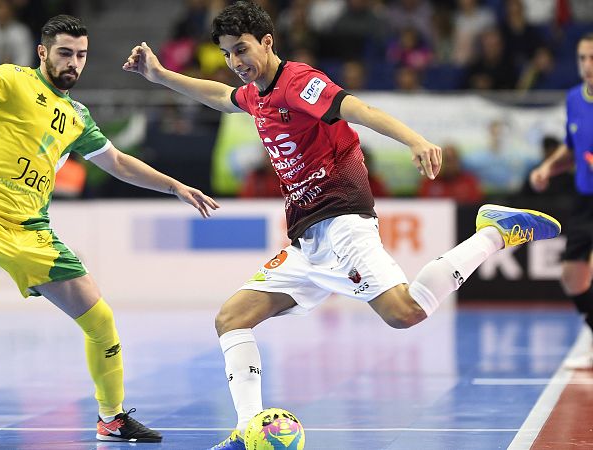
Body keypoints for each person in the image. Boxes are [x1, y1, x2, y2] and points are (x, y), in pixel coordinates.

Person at [122, 2, 561, 449]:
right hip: (306, 241)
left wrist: (415, 139)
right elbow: (219, 97)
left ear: (268, 42)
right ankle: (248, 430)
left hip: (343, 221)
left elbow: (359, 109)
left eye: (242, 50)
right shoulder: (255, 91)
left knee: (405, 312)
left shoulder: (299, 83)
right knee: (232, 318)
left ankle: (492, 232)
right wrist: (160, 75)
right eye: (228, 55)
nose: (236, 63)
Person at [0, 15, 221, 444]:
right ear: (43, 52)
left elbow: (120, 163)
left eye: (82, 55)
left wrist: (175, 186)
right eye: (65, 53)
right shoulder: (11, 80)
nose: (74, 62)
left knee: (101, 321)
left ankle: (112, 419)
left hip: (33, 229)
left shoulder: (77, 116)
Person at [530, 33, 593, 369]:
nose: (587, 66)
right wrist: (547, 168)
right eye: (583, 58)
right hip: (585, 200)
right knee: (573, 277)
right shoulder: (573, 99)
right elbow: (572, 148)